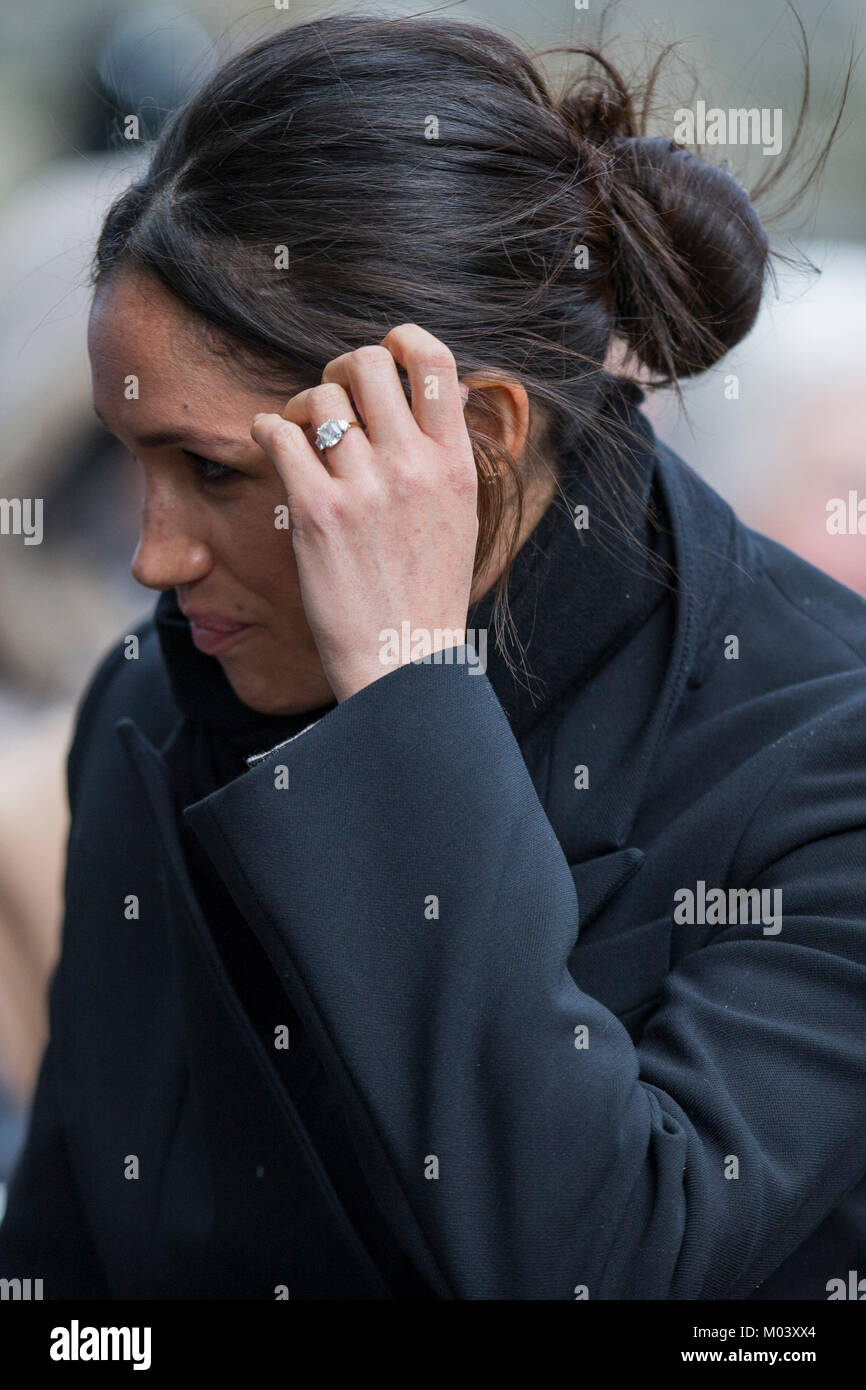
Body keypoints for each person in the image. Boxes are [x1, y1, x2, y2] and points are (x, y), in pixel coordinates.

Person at [1, 14, 864, 1301]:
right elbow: (72, 1274)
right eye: (137, 468)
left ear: (473, 439)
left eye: (218, 474)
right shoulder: (153, 697)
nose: (154, 558)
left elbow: (595, 1262)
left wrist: (405, 688)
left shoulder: (819, 754)